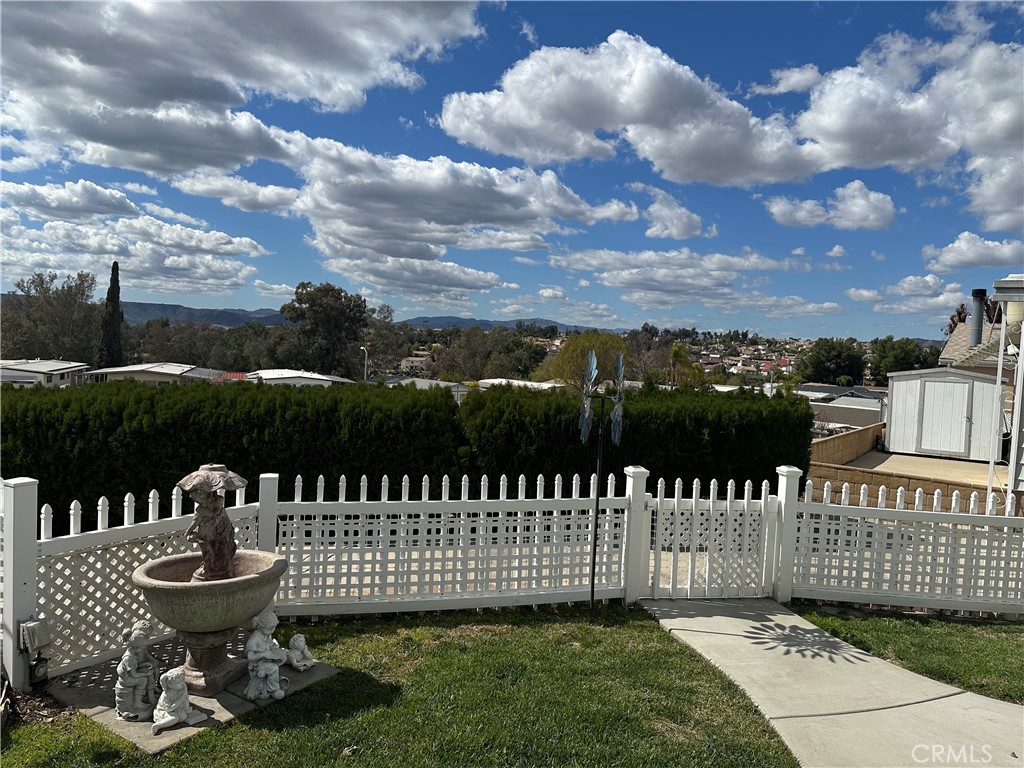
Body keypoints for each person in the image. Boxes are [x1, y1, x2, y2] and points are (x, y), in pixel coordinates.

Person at [184, 488, 237, 580]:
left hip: (210, 534)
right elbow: (195, 523)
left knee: (211, 551)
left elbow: (195, 523)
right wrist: (187, 532)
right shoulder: (205, 510)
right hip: (207, 534)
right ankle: (211, 568)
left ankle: (211, 569)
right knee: (209, 550)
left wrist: (187, 533)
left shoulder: (212, 510)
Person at [114, 622, 160, 721]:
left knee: (150, 671)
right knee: (143, 680)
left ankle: (151, 695)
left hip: (132, 674)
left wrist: (145, 665)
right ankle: (138, 703)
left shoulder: (134, 652)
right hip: (127, 679)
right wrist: (145, 673)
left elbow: (139, 664)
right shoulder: (129, 657)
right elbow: (133, 674)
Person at [244, 606, 289, 700]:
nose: (272, 631)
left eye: (273, 629)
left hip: (265, 661)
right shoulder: (254, 639)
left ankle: (269, 685)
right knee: (274, 668)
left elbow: (271, 645)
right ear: (261, 627)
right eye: (270, 629)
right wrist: (263, 654)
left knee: (280, 659)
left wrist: (277, 649)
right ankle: (273, 689)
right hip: (256, 666)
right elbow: (250, 656)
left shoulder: (265, 635)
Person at [152, 667, 205, 735]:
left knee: (183, 716)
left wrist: (185, 705)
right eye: (179, 682)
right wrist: (180, 700)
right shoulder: (166, 695)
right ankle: (159, 725)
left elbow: (185, 701)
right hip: (164, 712)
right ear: (170, 685)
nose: (182, 684)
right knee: (175, 718)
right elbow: (169, 708)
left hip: (177, 709)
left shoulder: (182, 689)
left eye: (182, 681)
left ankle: (171, 721)